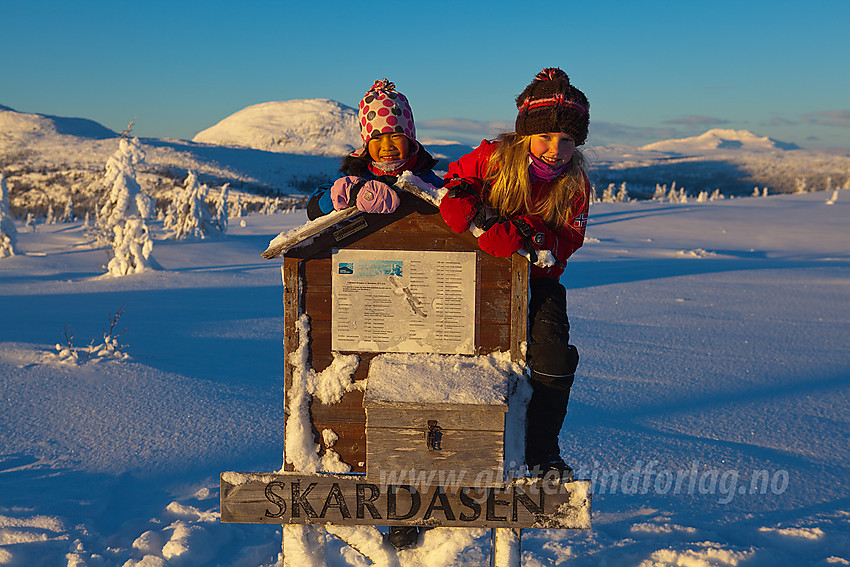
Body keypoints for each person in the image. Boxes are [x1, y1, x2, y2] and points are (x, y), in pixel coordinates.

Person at [438, 68, 591, 480]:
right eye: (545, 137)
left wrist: (532, 233)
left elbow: (569, 240)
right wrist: (461, 202)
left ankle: (542, 453)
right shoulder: (493, 157)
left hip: (539, 281)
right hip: (477, 275)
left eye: (566, 140)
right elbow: (456, 179)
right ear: (525, 135)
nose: (555, 149)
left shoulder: (575, 184)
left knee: (553, 361)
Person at [306, 79, 442, 220]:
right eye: (377, 138)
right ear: (366, 145)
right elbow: (313, 209)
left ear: (410, 140)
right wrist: (352, 191)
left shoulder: (425, 177)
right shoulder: (355, 172)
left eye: (395, 136)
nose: (387, 146)